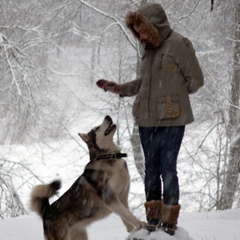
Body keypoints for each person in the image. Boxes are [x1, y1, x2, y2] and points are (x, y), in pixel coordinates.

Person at [96, 2, 204, 236]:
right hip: (146, 120)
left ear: (155, 26)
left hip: (172, 121)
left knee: (168, 169)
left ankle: (169, 222)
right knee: (152, 170)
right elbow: (143, 83)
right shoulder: (148, 48)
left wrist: (170, 98)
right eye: (137, 31)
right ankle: (153, 221)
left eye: (143, 30)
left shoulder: (179, 44)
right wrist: (118, 88)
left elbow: (196, 81)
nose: (140, 35)